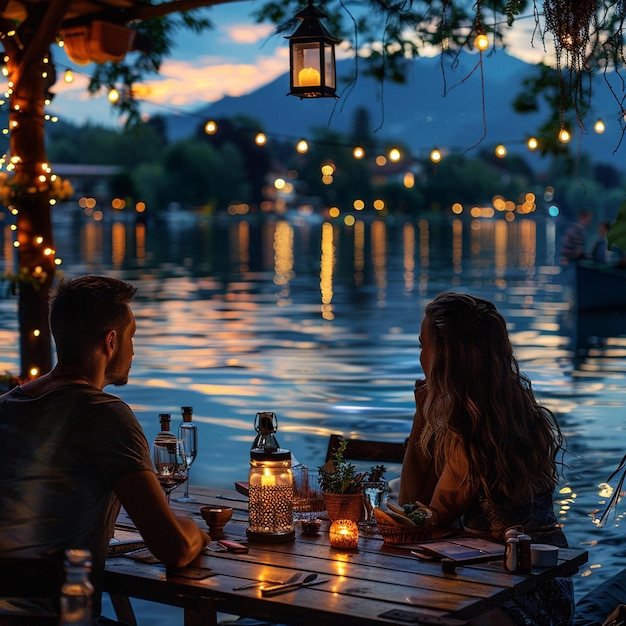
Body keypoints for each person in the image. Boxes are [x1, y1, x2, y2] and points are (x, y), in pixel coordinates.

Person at [0, 275, 210, 622]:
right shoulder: (105, 415)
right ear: (110, 341)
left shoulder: (6, 406)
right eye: (132, 338)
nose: (133, 350)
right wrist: (198, 533)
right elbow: (173, 548)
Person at [399, 292, 573, 626]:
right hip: (548, 585)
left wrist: (420, 416)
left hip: (513, 593)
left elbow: (417, 512)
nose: (420, 357)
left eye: (423, 346)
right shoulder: (515, 409)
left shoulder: (470, 431)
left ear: (447, 357)